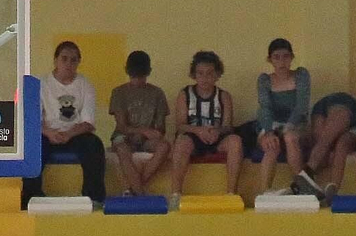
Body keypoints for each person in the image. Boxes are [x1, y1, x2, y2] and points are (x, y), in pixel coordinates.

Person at [22, 41, 105, 207]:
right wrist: (48, 132)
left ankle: (93, 197)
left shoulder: (85, 85)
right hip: (47, 133)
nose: (68, 64)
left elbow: (87, 123)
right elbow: (32, 121)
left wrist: (68, 134)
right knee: (32, 147)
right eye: (64, 59)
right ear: (55, 60)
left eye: (73, 60)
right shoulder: (41, 84)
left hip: (75, 134)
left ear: (78, 62)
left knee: (94, 145)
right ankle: (31, 197)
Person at [169, 51, 243, 208]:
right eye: (200, 74)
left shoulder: (223, 96)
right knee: (181, 142)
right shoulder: (185, 94)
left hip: (217, 138)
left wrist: (217, 132)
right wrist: (198, 131)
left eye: (210, 74)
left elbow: (228, 126)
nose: (204, 78)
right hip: (193, 138)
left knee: (236, 141)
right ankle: (176, 194)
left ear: (217, 75)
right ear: (194, 75)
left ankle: (231, 193)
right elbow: (180, 126)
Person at [294, 93, 356, 199]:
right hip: (346, 113)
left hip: (325, 109)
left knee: (326, 148)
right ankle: (320, 181)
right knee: (333, 142)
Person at [252, 38, 311, 194]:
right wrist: (269, 132)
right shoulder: (264, 80)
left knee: (290, 138)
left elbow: (301, 106)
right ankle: (265, 192)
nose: (282, 61)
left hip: (296, 125)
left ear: (292, 57)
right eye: (276, 57)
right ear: (270, 59)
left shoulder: (301, 75)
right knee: (271, 144)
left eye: (286, 56)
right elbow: (265, 107)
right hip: (271, 124)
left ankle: (301, 188)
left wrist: (288, 127)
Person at [108, 50, 171, 196]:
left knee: (165, 146)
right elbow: (121, 127)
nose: (137, 80)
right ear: (127, 72)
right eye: (133, 75)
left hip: (147, 140)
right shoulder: (119, 92)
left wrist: (152, 135)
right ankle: (141, 193)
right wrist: (143, 131)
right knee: (123, 150)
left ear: (148, 72)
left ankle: (133, 189)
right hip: (124, 137)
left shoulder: (157, 93)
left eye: (140, 75)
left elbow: (161, 129)